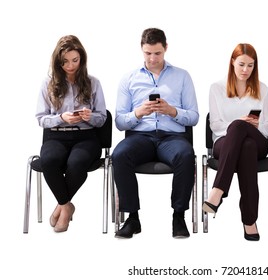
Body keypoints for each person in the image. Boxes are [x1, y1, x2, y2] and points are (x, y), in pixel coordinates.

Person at [112, 28, 199, 239]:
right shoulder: (129, 79)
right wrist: (138, 113)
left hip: (172, 137)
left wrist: (172, 111)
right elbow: (119, 122)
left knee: (186, 155)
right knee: (119, 155)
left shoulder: (182, 76)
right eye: (148, 53)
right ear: (142, 50)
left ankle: (179, 216)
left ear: (166, 48)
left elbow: (194, 117)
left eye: (157, 53)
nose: (152, 58)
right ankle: (132, 218)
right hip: (140, 137)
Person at [202, 43, 268, 241]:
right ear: (232, 62)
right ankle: (250, 221)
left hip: (258, 141)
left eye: (250, 66)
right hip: (224, 144)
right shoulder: (216, 88)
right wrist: (238, 126)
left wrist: (252, 127)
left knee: (244, 132)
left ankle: (217, 192)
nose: (245, 70)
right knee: (244, 142)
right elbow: (215, 125)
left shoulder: (263, 89)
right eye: (241, 64)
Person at [35, 35, 107, 232]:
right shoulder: (48, 83)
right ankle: (67, 205)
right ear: (58, 61)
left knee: (77, 163)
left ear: (82, 59)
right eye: (65, 61)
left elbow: (102, 118)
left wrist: (88, 116)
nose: (70, 65)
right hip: (56, 135)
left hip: (86, 137)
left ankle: (61, 206)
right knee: (49, 161)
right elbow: (41, 118)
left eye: (75, 60)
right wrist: (61, 118)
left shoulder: (94, 83)